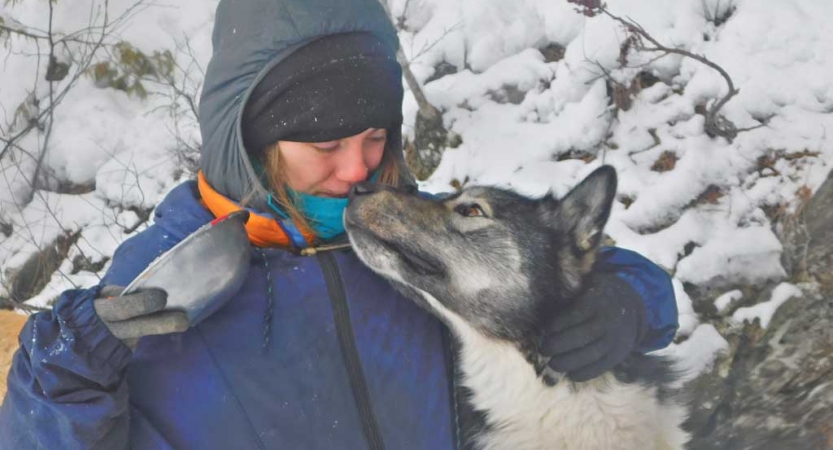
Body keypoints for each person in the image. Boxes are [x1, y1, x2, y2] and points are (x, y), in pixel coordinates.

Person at [0, 0, 678, 448]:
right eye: (325, 147)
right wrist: (60, 381)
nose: (358, 169)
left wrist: (629, 299)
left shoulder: (404, 240)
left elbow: (545, 264)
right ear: (253, 144)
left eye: (375, 136)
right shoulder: (157, 289)